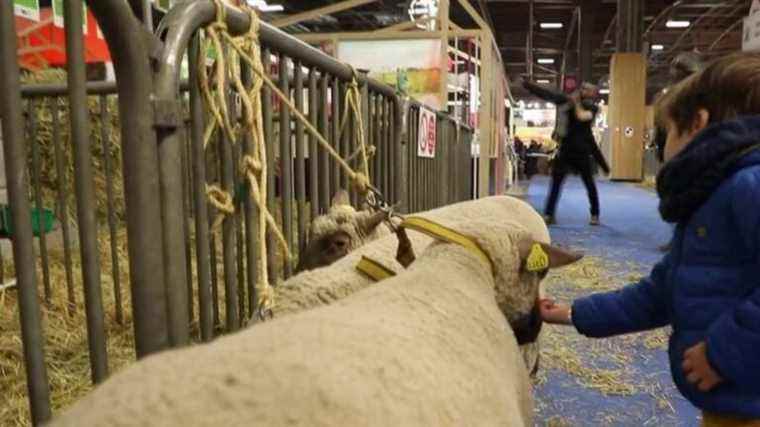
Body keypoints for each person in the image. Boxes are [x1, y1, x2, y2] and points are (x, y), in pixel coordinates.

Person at [539, 53, 760, 426]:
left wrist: (724, 354)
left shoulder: (747, 185)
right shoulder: (711, 197)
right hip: (731, 397)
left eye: (666, 132)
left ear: (697, 124)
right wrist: (574, 313)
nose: (663, 147)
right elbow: (663, 292)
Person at [522, 80, 610, 226]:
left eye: (588, 89)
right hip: (567, 149)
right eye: (583, 88)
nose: (584, 90)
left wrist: (574, 103)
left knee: (589, 184)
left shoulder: (593, 108)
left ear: (593, 93)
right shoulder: (569, 101)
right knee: (556, 183)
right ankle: (549, 214)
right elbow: (549, 96)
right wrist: (529, 86)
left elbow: (582, 116)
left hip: (583, 150)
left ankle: (595, 214)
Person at [656, 52, 705, 252]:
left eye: (678, 72)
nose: (674, 76)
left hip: (697, 152)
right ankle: (680, 237)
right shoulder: (676, 95)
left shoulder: (701, 95)